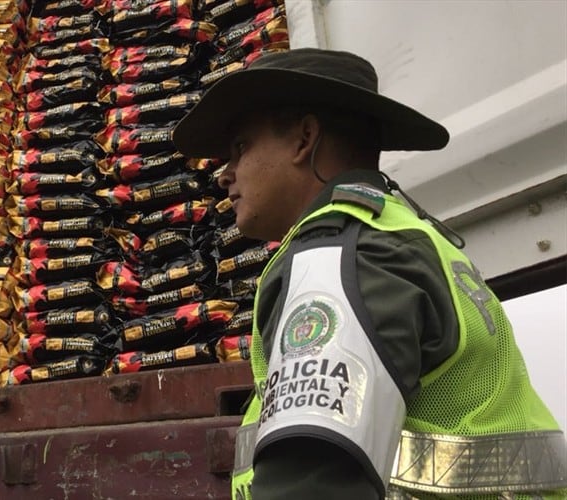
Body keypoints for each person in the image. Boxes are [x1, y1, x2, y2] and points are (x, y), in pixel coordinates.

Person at [173, 48, 567, 499]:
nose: (226, 175)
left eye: (241, 148)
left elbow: (313, 483)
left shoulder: (342, 256)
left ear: (304, 139)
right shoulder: (401, 234)